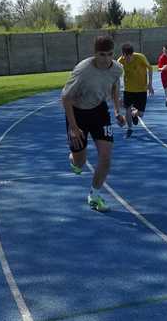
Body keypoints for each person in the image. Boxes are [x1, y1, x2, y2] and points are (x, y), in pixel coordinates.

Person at [62, 35, 125, 213]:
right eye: (102, 55)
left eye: (110, 54)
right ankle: (74, 159)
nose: (106, 59)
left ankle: (94, 195)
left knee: (105, 157)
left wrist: (117, 111)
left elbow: (115, 87)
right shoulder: (83, 70)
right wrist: (74, 128)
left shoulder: (117, 69)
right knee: (80, 163)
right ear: (95, 54)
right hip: (77, 112)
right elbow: (65, 98)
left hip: (99, 111)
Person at [117, 43, 154, 138]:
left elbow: (150, 68)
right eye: (125, 57)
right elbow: (116, 77)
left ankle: (134, 114)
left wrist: (150, 84)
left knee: (140, 114)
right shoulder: (120, 61)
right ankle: (129, 129)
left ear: (132, 54)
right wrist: (118, 94)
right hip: (128, 89)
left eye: (129, 57)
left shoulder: (140, 57)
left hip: (141, 89)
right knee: (127, 108)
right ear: (123, 54)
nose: (127, 59)